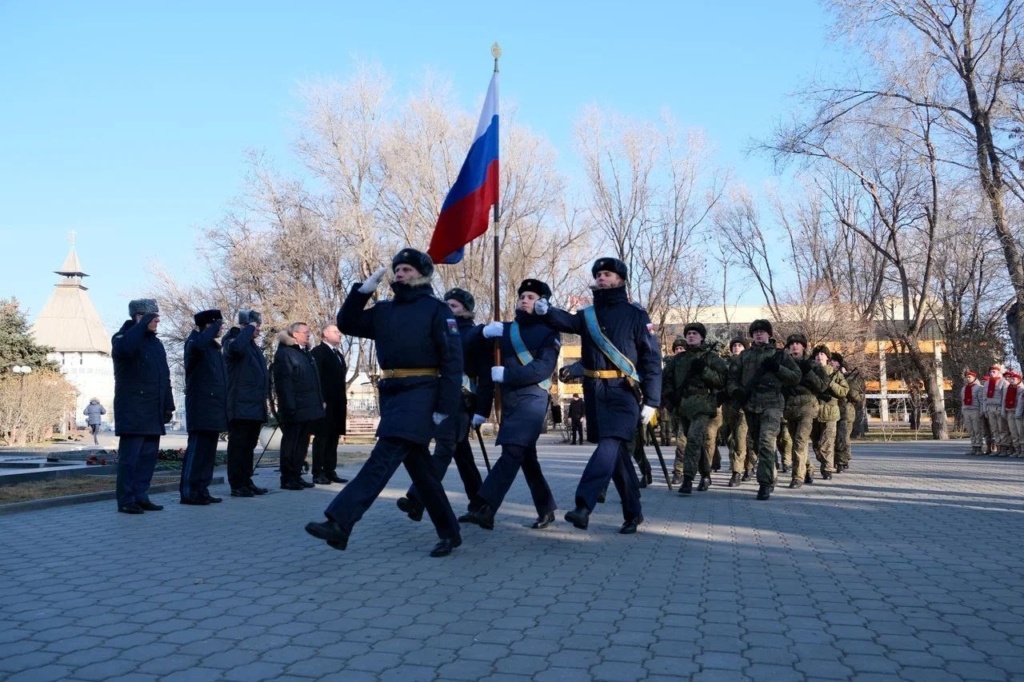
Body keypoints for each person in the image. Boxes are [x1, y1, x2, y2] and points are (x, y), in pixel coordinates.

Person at [305, 248, 463, 557]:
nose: (400, 274)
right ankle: (450, 532)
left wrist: (445, 406)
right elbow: (348, 323)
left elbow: (453, 362)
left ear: (422, 274)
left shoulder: (436, 310)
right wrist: (362, 291)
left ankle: (340, 522)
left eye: (407, 269)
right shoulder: (385, 310)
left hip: (422, 390)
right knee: (423, 472)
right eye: (398, 269)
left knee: (385, 455)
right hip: (391, 391)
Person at [532, 257, 662, 534]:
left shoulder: (636, 315)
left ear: (621, 280)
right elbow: (567, 322)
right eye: (598, 274)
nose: (601, 278)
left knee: (608, 445)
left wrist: (652, 400)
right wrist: (545, 310)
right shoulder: (588, 315)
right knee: (616, 458)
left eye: (608, 274)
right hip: (594, 392)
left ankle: (583, 505)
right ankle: (633, 513)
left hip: (623, 391)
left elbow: (651, 360)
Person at [460, 279, 560, 531]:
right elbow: (464, 345)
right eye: (522, 296)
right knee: (526, 458)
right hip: (510, 402)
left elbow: (543, 368)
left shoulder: (549, 332)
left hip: (533, 399)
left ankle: (484, 507)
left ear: (542, 303)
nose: (525, 300)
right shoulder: (504, 330)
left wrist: (507, 375)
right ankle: (546, 508)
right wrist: (482, 332)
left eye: (531, 297)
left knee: (512, 451)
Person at [397, 287, 486, 522]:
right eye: (446, 305)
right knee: (462, 456)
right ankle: (480, 504)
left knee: (444, 450)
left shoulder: (470, 332)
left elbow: (472, 357)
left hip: (459, 399)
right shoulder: (438, 329)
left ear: (466, 310)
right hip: (440, 397)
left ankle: (417, 498)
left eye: (454, 306)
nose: (448, 309)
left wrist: (482, 410)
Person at [112, 299, 175, 514]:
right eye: (152, 316)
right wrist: (140, 326)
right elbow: (126, 349)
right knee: (130, 459)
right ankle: (126, 500)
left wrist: (168, 404)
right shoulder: (122, 338)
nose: (158, 320)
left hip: (153, 409)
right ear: (139, 317)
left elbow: (164, 376)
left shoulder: (156, 344)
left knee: (148, 458)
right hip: (133, 410)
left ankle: (141, 495)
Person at [727, 319, 800, 501]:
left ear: (769, 334)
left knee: (767, 441)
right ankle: (771, 470)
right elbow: (731, 379)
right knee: (758, 445)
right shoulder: (744, 356)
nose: (759, 334)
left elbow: (796, 376)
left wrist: (777, 368)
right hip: (750, 403)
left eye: (762, 331)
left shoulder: (780, 355)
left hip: (773, 403)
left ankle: (764, 484)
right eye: (756, 332)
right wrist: (736, 391)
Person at [663, 323, 728, 495]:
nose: (691, 336)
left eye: (695, 333)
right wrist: (671, 395)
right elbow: (666, 378)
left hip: (703, 405)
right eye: (689, 333)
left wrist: (704, 371)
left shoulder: (712, 358)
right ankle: (705, 474)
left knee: (692, 439)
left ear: (702, 337)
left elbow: (722, 380)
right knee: (694, 442)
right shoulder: (678, 359)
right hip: (683, 405)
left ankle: (688, 479)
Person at [180, 309, 228, 506]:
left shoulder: (214, 348)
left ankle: (202, 489)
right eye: (218, 325)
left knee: (208, 453)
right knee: (197, 450)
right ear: (209, 325)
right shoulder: (195, 342)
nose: (221, 329)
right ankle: (189, 491)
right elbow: (198, 345)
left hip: (214, 406)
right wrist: (214, 326)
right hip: (201, 405)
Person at [222, 310, 270, 497]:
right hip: (240, 405)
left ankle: (246, 481)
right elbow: (236, 350)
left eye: (258, 326)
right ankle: (237, 484)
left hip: (254, 405)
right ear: (244, 326)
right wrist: (248, 328)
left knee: (249, 447)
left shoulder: (252, 346)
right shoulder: (232, 341)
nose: (258, 330)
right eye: (255, 326)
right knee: (238, 447)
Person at [273, 323, 324, 490]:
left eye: (309, 332)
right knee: (291, 443)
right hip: (294, 408)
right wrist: (289, 406)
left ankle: (297, 475)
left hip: (308, 407)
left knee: (302, 442)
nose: (308, 335)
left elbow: (314, 381)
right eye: (305, 332)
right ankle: (287, 477)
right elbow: (284, 383)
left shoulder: (305, 353)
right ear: (294, 334)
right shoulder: (285, 353)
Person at [781, 334, 828, 489]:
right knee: (796, 443)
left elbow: (822, 386)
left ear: (803, 347)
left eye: (798, 343)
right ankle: (808, 468)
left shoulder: (813, 366)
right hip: (790, 408)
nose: (795, 346)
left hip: (808, 407)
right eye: (792, 344)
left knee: (800, 442)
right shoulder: (784, 365)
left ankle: (797, 477)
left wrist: (809, 372)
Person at [310, 324, 349, 485]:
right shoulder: (318, 353)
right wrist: (320, 400)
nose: (339, 335)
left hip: (338, 403)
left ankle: (330, 470)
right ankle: (318, 472)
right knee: (322, 437)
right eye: (335, 332)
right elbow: (316, 378)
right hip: (325, 403)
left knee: (333, 437)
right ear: (325, 335)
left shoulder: (338, 354)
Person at [810, 345, 849, 480]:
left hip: (831, 413)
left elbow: (844, 391)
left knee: (826, 443)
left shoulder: (835, 374)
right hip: (814, 412)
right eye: (817, 354)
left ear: (827, 358)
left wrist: (831, 384)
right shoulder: (810, 372)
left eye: (822, 354)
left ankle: (827, 469)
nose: (819, 356)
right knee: (816, 445)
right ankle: (824, 463)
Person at [722, 338, 752, 486]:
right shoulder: (725, 364)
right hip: (727, 406)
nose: (736, 348)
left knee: (740, 439)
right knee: (728, 437)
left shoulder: (749, 364)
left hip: (743, 406)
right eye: (734, 345)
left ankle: (736, 473)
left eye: (740, 345)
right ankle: (747, 463)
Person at [832, 352, 864, 471]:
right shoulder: (830, 375)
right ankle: (839, 459)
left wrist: (849, 384)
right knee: (834, 437)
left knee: (843, 437)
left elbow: (856, 397)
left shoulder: (850, 379)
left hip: (846, 412)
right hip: (832, 410)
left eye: (834, 361)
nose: (831, 363)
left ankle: (842, 460)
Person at [984, 365, 1009, 455]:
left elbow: (1004, 398)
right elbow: (984, 398)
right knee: (994, 429)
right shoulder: (987, 383)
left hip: (999, 407)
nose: (991, 373)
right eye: (990, 372)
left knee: (1002, 429)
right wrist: (985, 409)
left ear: (999, 372)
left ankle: (1004, 448)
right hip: (990, 408)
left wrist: (1003, 410)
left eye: (994, 372)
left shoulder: (1003, 382)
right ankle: (998, 447)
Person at [961, 370, 985, 455]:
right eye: (966, 377)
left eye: (969, 377)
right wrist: (963, 410)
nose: (967, 379)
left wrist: (982, 411)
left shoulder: (979, 387)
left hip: (975, 410)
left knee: (977, 429)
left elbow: (981, 401)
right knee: (971, 430)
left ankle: (979, 448)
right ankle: (973, 446)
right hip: (966, 410)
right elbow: (963, 400)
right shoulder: (964, 388)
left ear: (974, 378)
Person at [1003, 370, 1022, 456]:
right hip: (1010, 411)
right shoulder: (1008, 388)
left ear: (1018, 380)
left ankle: (1022, 450)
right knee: (1013, 432)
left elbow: (1021, 403)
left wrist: (1018, 413)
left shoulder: (1021, 389)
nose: (1011, 380)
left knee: (1021, 433)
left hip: (1019, 413)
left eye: (1014, 379)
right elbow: (1004, 400)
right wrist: (1004, 410)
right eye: (1011, 379)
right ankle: (1017, 450)